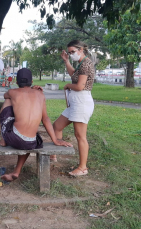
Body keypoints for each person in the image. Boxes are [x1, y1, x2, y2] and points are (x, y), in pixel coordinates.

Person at [0, 68, 73, 182]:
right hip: (31, 142)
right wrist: (56, 140)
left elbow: (5, 95)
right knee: (27, 136)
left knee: (8, 101)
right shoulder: (41, 95)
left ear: (17, 82)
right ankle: (16, 172)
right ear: (31, 81)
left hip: (14, 138)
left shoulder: (13, 92)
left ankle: (4, 138)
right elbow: (46, 119)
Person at [52, 40, 95, 176]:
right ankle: (54, 155)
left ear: (81, 49)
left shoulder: (86, 64)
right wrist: (66, 61)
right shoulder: (81, 63)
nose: (71, 54)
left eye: (72, 52)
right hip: (75, 102)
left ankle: (83, 168)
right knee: (57, 126)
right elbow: (74, 76)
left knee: (80, 135)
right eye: (69, 53)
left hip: (82, 102)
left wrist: (68, 86)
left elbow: (79, 86)